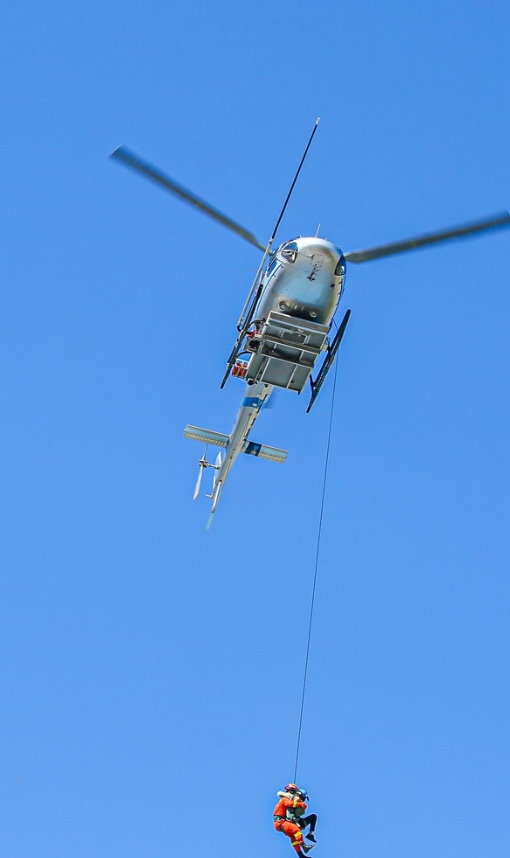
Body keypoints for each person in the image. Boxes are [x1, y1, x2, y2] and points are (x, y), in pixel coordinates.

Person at [273, 783, 317, 857]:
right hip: (281, 823)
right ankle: (304, 846)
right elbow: (289, 804)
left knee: (294, 837)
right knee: (296, 829)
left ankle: (301, 855)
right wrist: (300, 805)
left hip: (281, 823)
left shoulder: (284, 799)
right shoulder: (284, 799)